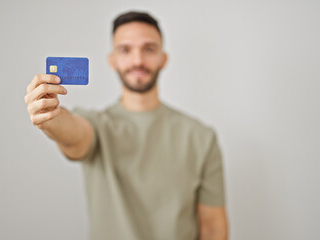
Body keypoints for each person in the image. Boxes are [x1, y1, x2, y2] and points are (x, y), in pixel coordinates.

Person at [24, 11, 228, 240]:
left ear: (164, 58)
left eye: (149, 49)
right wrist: (50, 118)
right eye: (126, 50)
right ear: (112, 60)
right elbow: (75, 134)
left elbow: (212, 228)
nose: (138, 60)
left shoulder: (201, 137)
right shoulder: (97, 125)